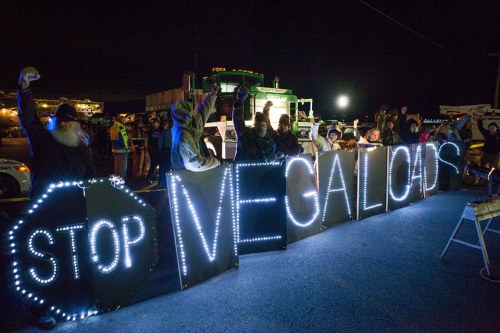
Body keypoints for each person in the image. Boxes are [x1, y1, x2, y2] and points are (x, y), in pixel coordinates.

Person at [17, 67, 96, 329]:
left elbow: (91, 177)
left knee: (76, 261)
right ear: (55, 122)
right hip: (46, 213)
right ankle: (40, 309)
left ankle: (81, 299)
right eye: (61, 121)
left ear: (76, 124)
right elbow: (28, 119)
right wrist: (25, 88)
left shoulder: (81, 147)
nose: (65, 125)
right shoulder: (42, 140)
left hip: (74, 213)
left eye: (70, 122)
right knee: (42, 266)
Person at [171, 85, 220, 171]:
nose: (193, 114)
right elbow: (195, 163)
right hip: (187, 177)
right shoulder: (183, 135)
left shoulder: (188, 127)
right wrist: (216, 162)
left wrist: (212, 95)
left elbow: (203, 112)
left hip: (188, 176)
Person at [232, 86, 283, 162]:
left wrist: (277, 155)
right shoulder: (246, 135)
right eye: (259, 125)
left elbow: (277, 154)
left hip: (264, 173)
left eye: (264, 125)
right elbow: (238, 120)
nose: (262, 128)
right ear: (255, 125)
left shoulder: (270, 142)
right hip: (244, 172)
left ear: (266, 127)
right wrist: (239, 102)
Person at [157, 119, 172, 187]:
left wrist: (159, 150)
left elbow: (160, 143)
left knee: (163, 167)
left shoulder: (163, 132)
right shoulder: (172, 132)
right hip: (171, 151)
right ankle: (169, 181)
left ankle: (162, 182)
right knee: (169, 167)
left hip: (164, 151)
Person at [146, 118, 161, 182]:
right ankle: (150, 177)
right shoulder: (155, 131)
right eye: (156, 123)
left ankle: (151, 177)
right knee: (154, 164)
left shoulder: (150, 131)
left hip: (153, 149)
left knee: (154, 164)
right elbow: (156, 141)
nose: (157, 124)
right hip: (156, 150)